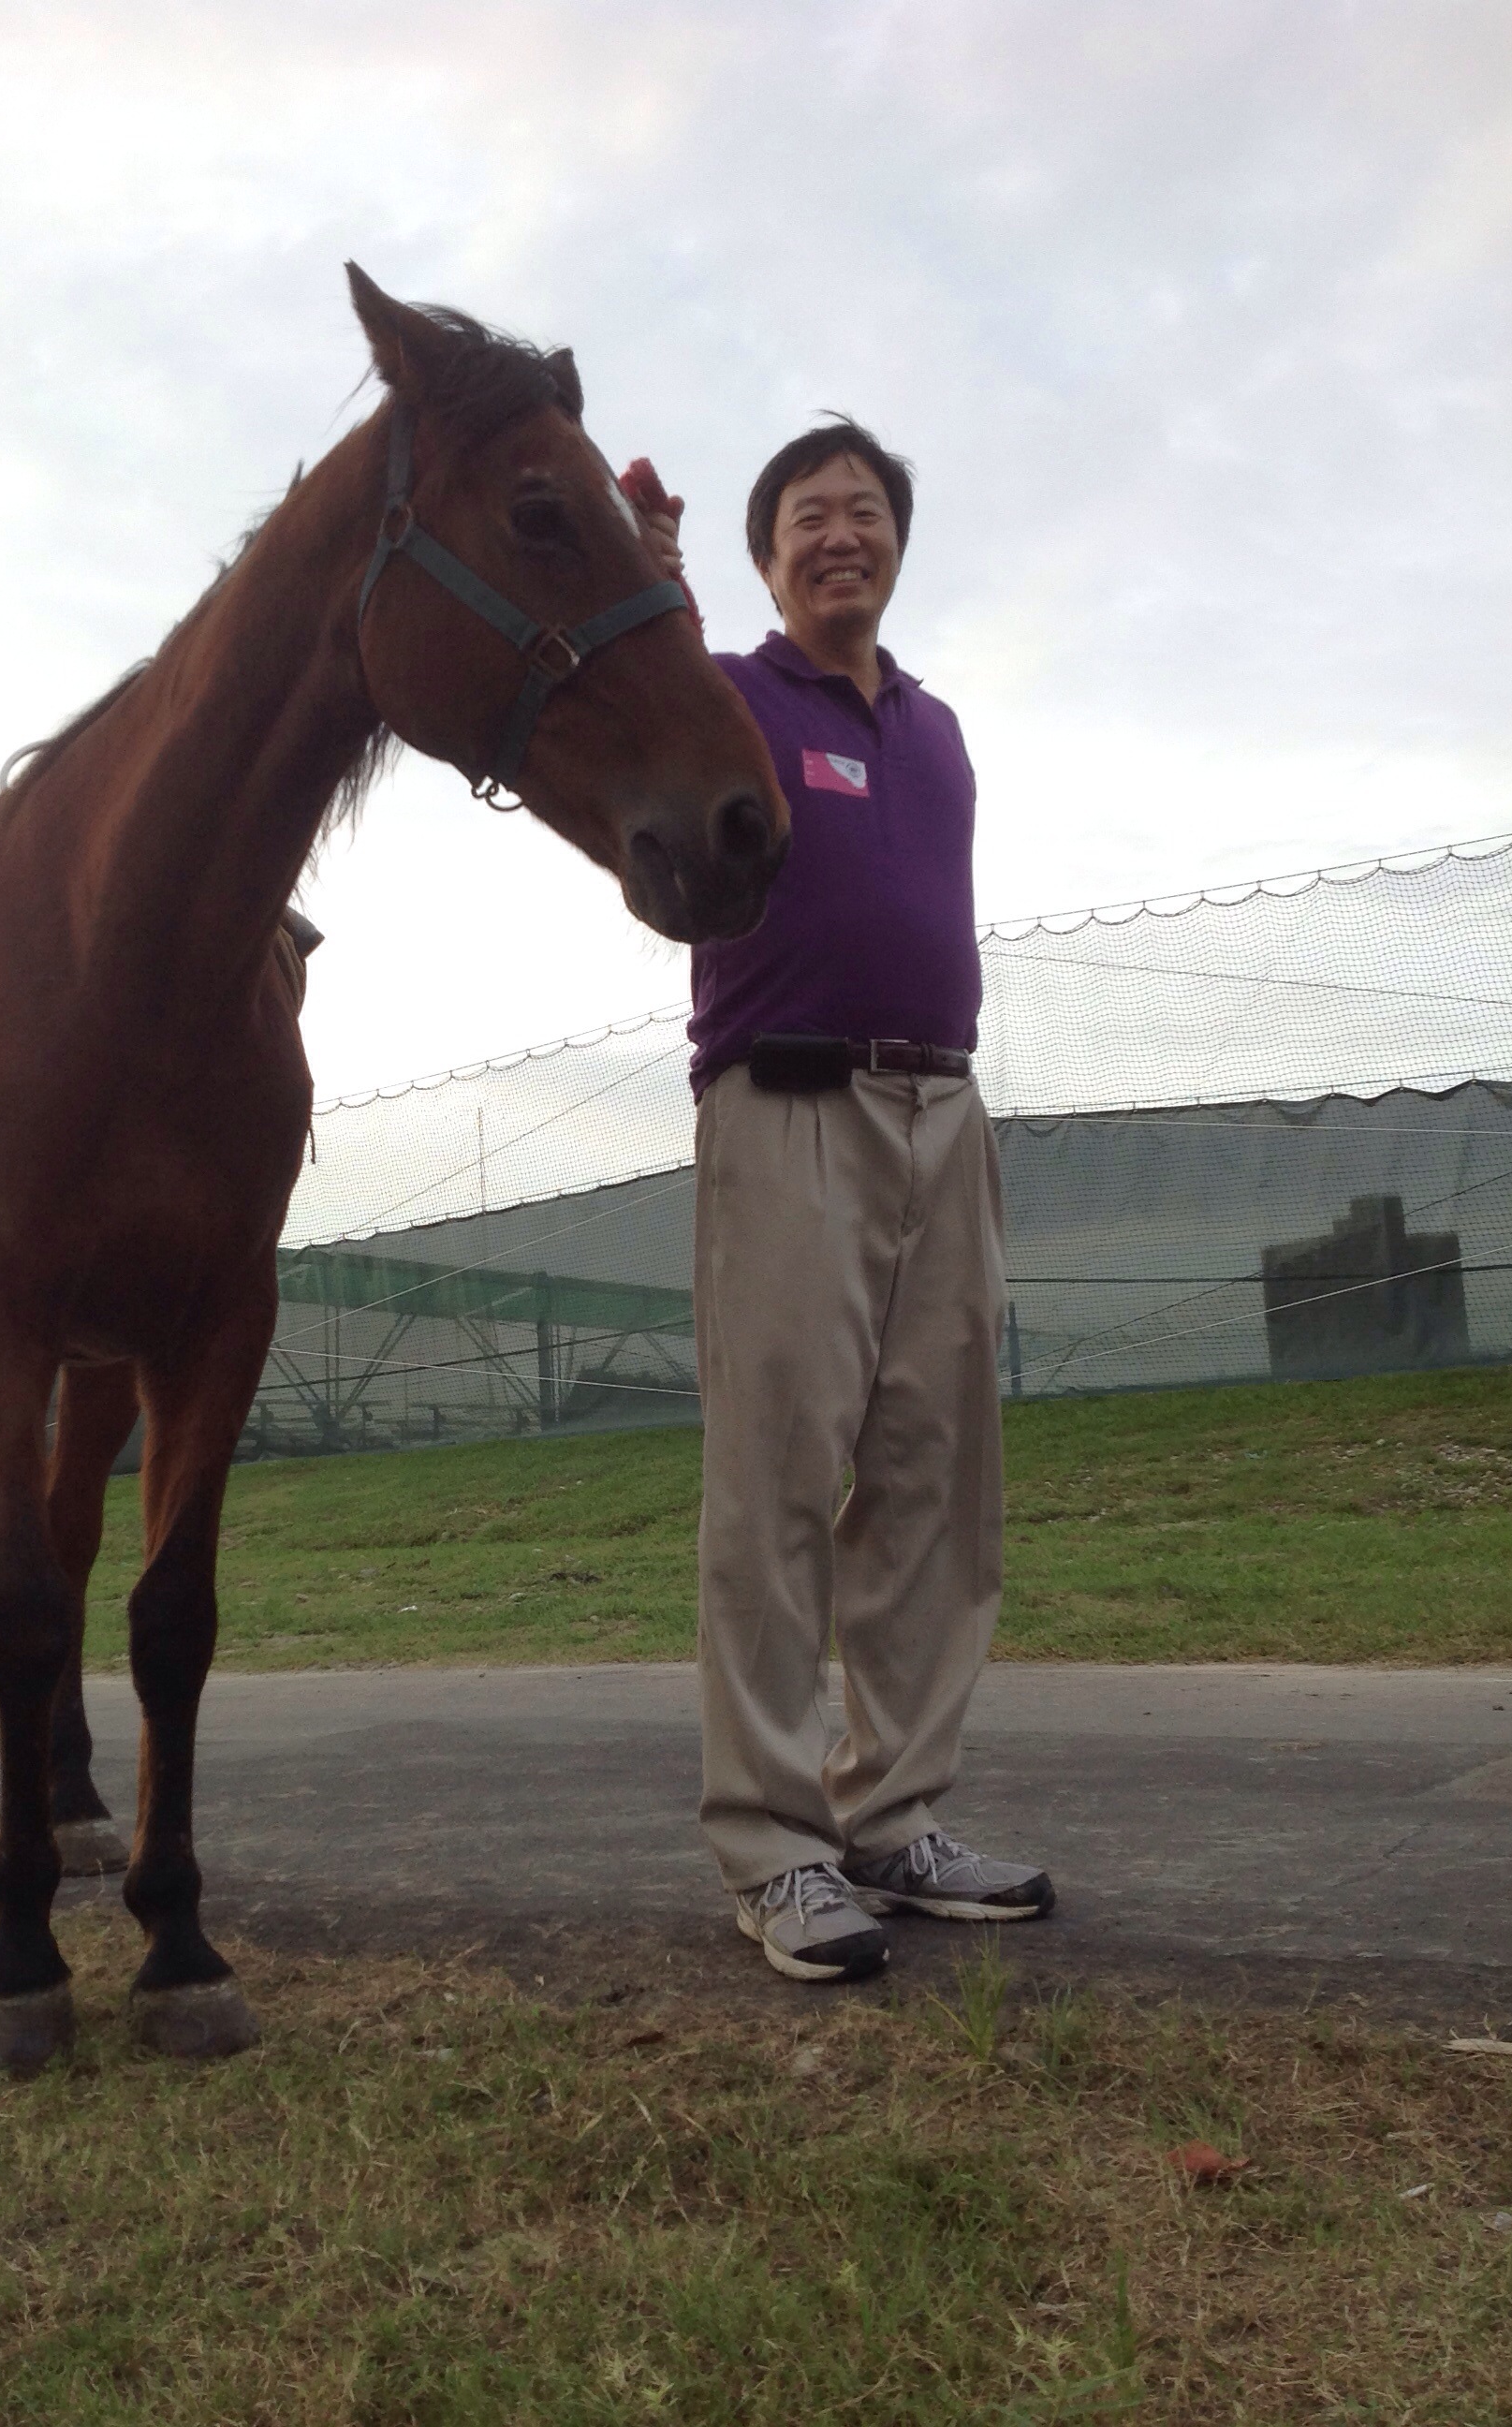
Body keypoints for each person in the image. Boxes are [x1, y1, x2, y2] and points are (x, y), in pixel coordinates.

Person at [639, 424, 1055, 1982]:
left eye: (864, 510)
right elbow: (649, 702)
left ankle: (892, 1815)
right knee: (777, 1479)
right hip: (788, 1108)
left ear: (896, 544)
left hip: (944, 1111)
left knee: (935, 1478)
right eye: (808, 515)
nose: (840, 534)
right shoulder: (731, 694)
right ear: (766, 559)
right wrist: (656, 580)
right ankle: (773, 1848)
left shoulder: (936, 732)